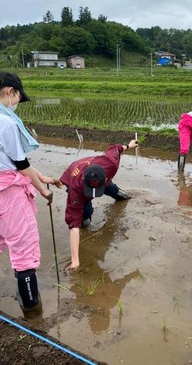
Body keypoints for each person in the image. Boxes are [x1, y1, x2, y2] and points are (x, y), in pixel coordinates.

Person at [0, 72, 60, 318]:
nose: (16, 103)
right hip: (7, 194)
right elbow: (20, 164)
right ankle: (33, 311)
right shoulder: (7, 122)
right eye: (17, 97)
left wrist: (41, 176)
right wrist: (41, 188)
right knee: (23, 248)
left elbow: (9, 161)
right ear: (11, 92)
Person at [59, 139, 138, 271]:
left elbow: (115, 148)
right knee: (84, 218)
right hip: (75, 173)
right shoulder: (76, 189)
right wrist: (75, 260)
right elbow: (73, 225)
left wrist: (128, 146)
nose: (94, 195)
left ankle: (122, 195)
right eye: (91, 192)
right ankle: (86, 216)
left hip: (101, 178)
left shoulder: (111, 163)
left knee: (114, 190)